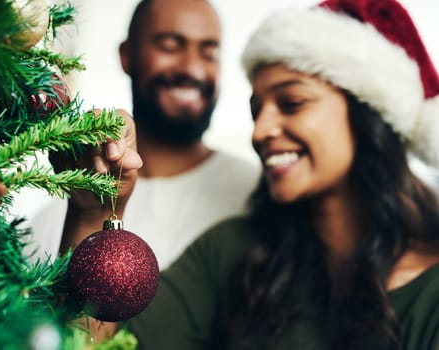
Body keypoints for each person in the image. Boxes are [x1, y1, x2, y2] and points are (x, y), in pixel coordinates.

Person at [80, 0, 439, 348]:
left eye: (291, 103)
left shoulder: (429, 292)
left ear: (369, 116)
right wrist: (91, 210)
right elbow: (91, 344)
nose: (260, 131)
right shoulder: (232, 252)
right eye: (256, 110)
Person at [21, 0, 260, 269]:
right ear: (127, 56)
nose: (192, 68)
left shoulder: (257, 196)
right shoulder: (57, 220)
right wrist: (86, 216)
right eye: (169, 46)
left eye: (209, 52)